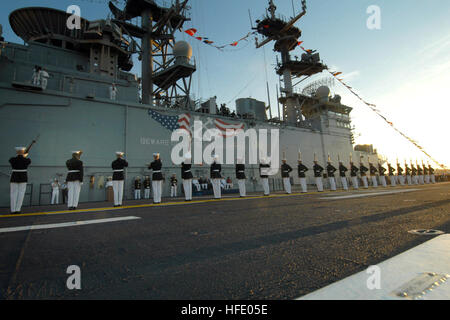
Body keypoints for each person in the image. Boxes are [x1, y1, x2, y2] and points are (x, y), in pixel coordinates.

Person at [9, 147, 31, 214]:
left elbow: (12, 160)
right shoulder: (27, 160)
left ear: (16, 152)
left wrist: (22, 155)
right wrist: (24, 156)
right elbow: (28, 161)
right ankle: (18, 209)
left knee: (13, 194)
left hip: (14, 177)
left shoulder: (12, 159)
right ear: (23, 152)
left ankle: (13, 210)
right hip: (23, 177)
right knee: (21, 194)